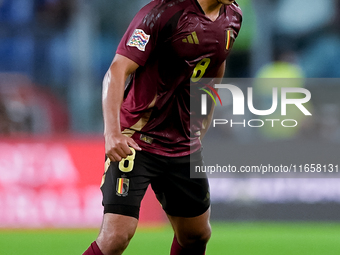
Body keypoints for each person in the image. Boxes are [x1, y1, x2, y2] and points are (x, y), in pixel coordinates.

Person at [83, 0, 242, 254]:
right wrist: (112, 132)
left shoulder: (233, 16)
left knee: (196, 235)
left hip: (182, 144)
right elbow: (117, 69)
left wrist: (206, 113)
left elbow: (217, 61)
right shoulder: (161, 13)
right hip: (136, 139)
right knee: (117, 236)